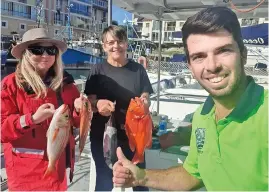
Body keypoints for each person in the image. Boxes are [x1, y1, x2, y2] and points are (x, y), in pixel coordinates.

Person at [112, 7, 268, 191]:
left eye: (223, 51)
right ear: (190, 67)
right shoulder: (202, 116)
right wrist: (141, 176)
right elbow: (193, 174)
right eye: (199, 57)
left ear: (243, 54)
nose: (212, 66)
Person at [1, 28, 85, 191]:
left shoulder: (66, 84)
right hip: (24, 177)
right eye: (37, 49)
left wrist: (79, 109)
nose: (45, 55)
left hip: (57, 173)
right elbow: (2, 130)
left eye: (51, 50)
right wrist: (31, 119)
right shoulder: (10, 84)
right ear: (26, 53)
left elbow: (75, 123)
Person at [84, 25, 153, 191]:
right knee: (104, 181)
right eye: (111, 42)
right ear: (104, 46)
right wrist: (97, 104)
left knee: (140, 180)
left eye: (120, 41)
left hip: (134, 138)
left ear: (126, 44)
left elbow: (147, 96)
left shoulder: (138, 69)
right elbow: (89, 104)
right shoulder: (96, 70)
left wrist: (144, 102)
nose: (116, 46)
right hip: (103, 136)